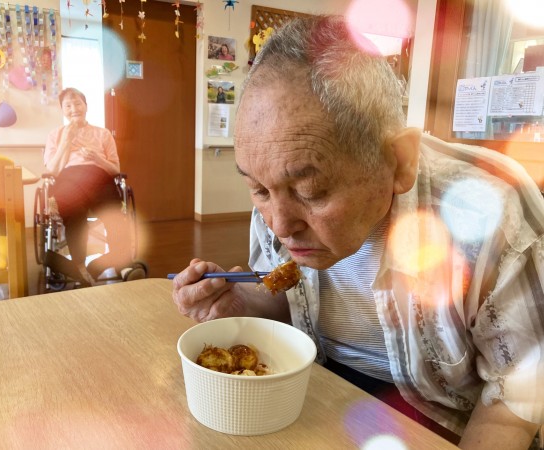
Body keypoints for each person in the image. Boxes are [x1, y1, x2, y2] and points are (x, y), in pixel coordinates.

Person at [171, 16, 543, 450]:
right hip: (320, 388)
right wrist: (243, 304)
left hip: (442, 420)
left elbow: (515, 396)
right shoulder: (278, 200)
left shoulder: (491, 214)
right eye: (258, 189)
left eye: (310, 191)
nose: (279, 224)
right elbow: (291, 307)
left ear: (399, 162)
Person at [43, 87, 145, 286]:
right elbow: (53, 170)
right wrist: (65, 141)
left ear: (86, 106)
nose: (74, 109)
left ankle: (119, 265)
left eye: (78, 103)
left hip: (98, 177)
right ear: (63, 110)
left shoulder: (102, 134)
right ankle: (81, 267)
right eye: (68, 106)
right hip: (68, 180)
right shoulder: (55, 135)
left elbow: (115, 170)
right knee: (75, 217)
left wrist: (97, 158)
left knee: (114, 216)